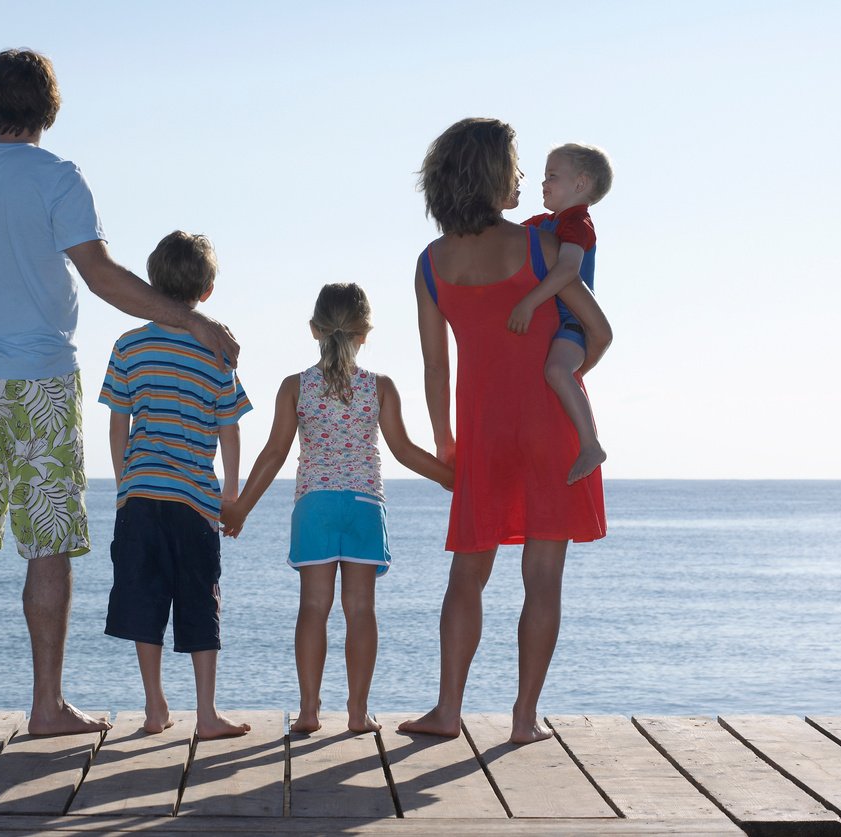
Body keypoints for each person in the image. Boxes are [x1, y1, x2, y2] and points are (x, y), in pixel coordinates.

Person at [0, 49, 238, 736]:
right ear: (47, 106)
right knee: (48, 542)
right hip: (39, 377)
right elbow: (101, 277)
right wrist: (192, 317)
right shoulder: (58, 178)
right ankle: (45, 707)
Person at [401, 118, 610, 744]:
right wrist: (565, 373)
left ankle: (446, 711)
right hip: (551, 427)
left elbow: (435, 366)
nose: (523, 178)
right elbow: (597, 332)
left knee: (467, 575)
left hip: (482, 432)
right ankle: (522, 721)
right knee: (542, 577)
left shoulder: (432, 263)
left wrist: (445, 440)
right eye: (516, 167)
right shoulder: (543, 245)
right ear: (493, 176)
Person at [221, 283, 453, 734]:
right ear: (365, 332)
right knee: (361, 611)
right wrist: (452, 479)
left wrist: (242, 508)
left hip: (315, 506)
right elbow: (404, 450)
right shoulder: (379, 387)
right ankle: (356, 713)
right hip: (365, 506)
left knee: (313, 608)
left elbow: (273, 454)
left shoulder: (296, 387)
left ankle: (308, 712)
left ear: (314, 329)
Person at [99, 231, 252, 740]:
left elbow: (118, 424)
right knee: (199, 600)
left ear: (153, 284)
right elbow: (230, 430)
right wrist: (229, 495)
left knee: (144, 599)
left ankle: (155, 706)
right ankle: (206, 714)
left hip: (141, 495)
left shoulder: (128, 346)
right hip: (193, 501)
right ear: (206, 292)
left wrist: (126, 485)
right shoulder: (216, 353)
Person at [506, 143, 615, 484]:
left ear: (580, 184)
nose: (543, 183)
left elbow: (568, 269)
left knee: (556, 371)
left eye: (552, 176)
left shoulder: (577, 223)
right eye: (544, 176)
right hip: (554, 325)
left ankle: (590, 444)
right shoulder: (546, 223)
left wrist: (529, 302)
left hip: (573, 323)